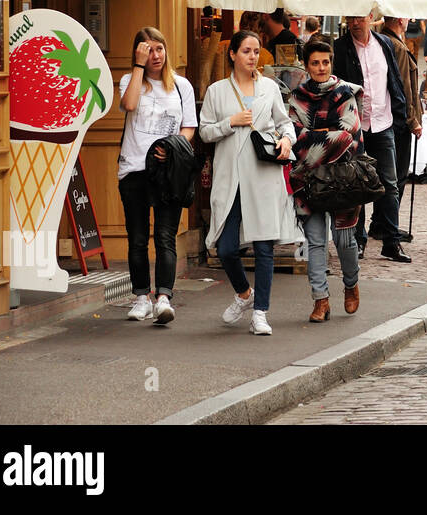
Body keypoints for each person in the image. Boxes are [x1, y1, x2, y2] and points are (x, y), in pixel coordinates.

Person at [199, 30, 303, 336]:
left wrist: (286, 140)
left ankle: (261, 313)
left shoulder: (269, 88)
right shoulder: (217, 91)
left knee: (264, 245)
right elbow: (205, 132)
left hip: (263, 172)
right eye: (246, 51)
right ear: (232, 54)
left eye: (256, 51)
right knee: (227, 248)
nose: (252, 56)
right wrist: (229, 123)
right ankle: (245, 294)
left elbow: (285, 123)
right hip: (231, 176)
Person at [118, 27, 198, 325]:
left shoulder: (181, 86)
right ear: (138, 53)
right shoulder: (130, 80)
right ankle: (141, 297)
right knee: (137, 239)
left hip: (169, 174)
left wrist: (174, 147)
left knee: (166, 237)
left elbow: (189, 127)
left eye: (159, 49)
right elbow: (129, 105)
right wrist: (138, 67)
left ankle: (163, 298)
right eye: (148, 50)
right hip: (134, 170)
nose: (155, 55)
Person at [289, 40, 363, 322]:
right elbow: (295, 137)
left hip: (343, 179)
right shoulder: (297, 97)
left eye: (325, 62)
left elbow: (349, 135)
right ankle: (320, 300)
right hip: (308, 181)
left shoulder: (345, 93)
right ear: (306, 66)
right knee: (316, 241)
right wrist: (328, 135)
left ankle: (350, 284)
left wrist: (313, 138)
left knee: (345, 241)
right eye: (315, 63)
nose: (321, 68)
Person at [332, 15, 410, 263]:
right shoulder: (340, 48)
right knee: (357, 184)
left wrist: (401, 115)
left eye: (360, 18)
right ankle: (358, 240)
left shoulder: (384, 44)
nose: (355, 23)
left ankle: (391, 242)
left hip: (383, 122)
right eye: (351, 18)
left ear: (370, 18)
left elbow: (394, 80)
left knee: (390, 184)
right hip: (355, 126)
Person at [382, 17, 424, 240]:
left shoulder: (390, 42)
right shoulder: (396, 45)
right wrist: (412, 119)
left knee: (393, 175)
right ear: (400, 20)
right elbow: (404, 87)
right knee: (397, 175)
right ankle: (388, 224)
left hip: (394, 118)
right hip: (399, 120)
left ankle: (384, 222)